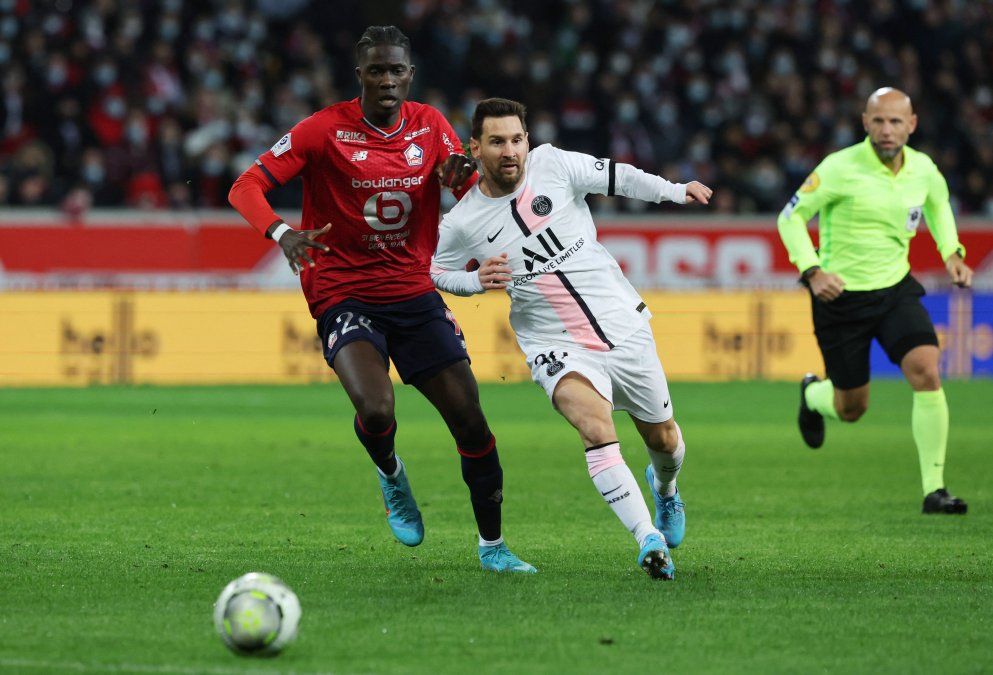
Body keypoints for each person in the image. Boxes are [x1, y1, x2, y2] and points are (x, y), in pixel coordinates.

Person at [228, 27, 535, 572]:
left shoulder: (431, 125)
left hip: (414, 290)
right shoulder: (322, 130)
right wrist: (282, 232)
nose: (387, 80)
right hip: (343, 292)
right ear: (361, 76)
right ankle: (391, 472)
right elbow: (245, 186)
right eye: (377, 70)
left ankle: (493, 547)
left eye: (396, 70)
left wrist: (464, 181)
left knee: (470, 421)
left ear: (409, 75)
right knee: (375, 407)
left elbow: (470, 192)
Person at [430, 98, 713, 580]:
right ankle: (647, 537)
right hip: (552, 342)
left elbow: (619, 178)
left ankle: (665, 490)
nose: (509, 151)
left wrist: (673, 190)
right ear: (475, 148)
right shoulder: (462, 221)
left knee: (664, 440)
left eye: (516, 140)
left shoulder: (555, 165)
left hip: (622, 325)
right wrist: (474, 281)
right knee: (596, 429)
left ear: (528, 141)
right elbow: (435, 269)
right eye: (496, 142)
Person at [777, 87, 973, 515]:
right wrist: (813, 271)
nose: (887, 130)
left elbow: (939, 207)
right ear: (865, 123)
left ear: (911, 125)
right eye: (879, 121)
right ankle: (813, 396)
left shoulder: (923, 169)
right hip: (841, 299)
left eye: (896, 121)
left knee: (927, 370)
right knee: (852, 408)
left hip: (895, 290)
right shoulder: (839, 167)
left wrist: (952, 253)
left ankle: (935, 490)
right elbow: (790, 217)